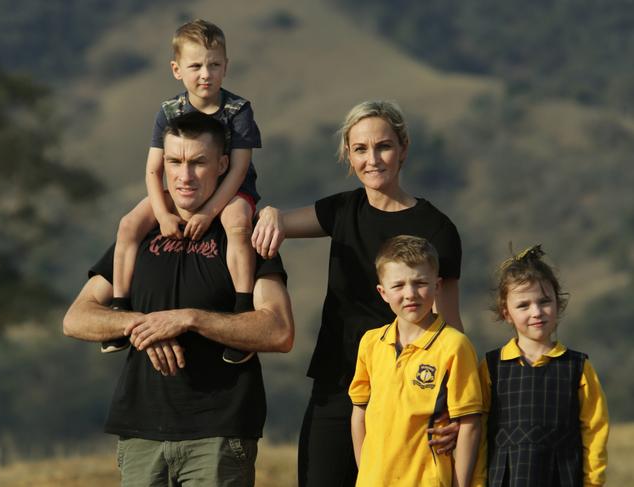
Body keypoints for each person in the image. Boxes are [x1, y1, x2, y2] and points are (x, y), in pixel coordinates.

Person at [63, 112, 294, 487]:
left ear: (223, 165)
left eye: (198, 162)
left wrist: (190, 318)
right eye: (175, 162)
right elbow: (76, 318)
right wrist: (144, 325)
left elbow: (279, 330)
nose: (184, 176)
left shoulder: (243, 237)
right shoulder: (139, 236)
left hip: (218, 435)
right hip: (140, 434)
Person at [251, 100, 463, 486]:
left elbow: (450, 327)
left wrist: (452, 409)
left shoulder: (437, 229)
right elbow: (276, 223)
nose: (373, 159)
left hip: (408, 393)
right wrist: (269, 214)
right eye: (360, 149)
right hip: (336, 385)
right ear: (348, 156)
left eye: (383, 146)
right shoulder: (342, 210)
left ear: (403, 149)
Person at [105, 19, 261, 365]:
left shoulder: (238, 111)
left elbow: (237, 169)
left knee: (238, 225)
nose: (205, 74)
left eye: (214, 65)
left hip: (231, 191)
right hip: (177, 192)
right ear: (177, 70)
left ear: (226, 67)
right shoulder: (169, 111)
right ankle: (119, 304)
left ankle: (242, 304)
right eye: (195, 66)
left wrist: (210, 211)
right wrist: (161, 213)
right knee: (129, 225)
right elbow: (153, 169)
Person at [349, 235, 482, 487]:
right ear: (383, 292)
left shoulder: (455, 345)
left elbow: (469, 423)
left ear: (437, 286)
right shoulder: (370, 342)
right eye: (398, 285)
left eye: (420, 282)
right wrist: (365, 473)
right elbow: (359, 413)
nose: (410, 294)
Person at [472, 245, 609, 487]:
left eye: (544, 301)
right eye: (523, 305)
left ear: (558, 304)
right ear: (506, 313)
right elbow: (479, 432)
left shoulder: (577, 367)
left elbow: (595, 430)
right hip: (505, 479)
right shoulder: (491, 367)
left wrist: (593, 482)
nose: (536, 312)